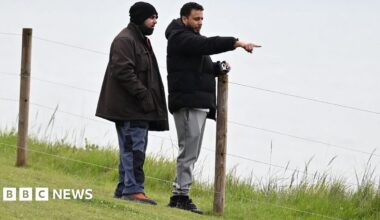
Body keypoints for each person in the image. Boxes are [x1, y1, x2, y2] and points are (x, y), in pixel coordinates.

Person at [165, 2, 261, 214]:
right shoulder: (180, 38)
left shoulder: (191, 40)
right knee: (188, 152)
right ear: (184, 19)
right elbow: (208, 44)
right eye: (196, 19)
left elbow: (203, 66)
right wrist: (236, 42)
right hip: (188, 103)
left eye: (202, 19)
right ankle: (180, 196)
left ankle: (180, 194)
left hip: (197, 104)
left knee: (192, 152)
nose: (200, 23)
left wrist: (219, 68)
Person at [96, 2, 169, 205]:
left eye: (156, 18)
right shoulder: (125, 40)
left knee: (132, 148)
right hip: (130, 108)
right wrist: (144, 95)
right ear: (139, 18)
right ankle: (133, 190)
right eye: (151, 17)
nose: (155, 22)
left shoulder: (139, 39)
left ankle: (124, 188)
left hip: (137, 108)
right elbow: (122, 71)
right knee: (134, 149)